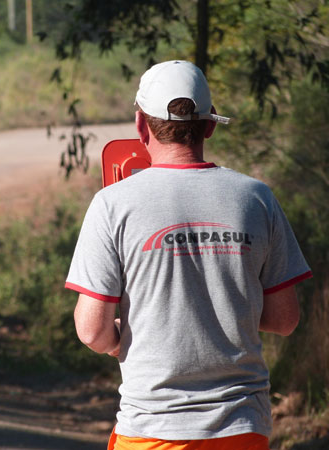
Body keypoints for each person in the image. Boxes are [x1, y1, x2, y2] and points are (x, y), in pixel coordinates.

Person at [66, 60, 312, 450]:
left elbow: (91, 330)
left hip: (152, 430)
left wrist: (120, 339)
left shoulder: (112, 204)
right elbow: (285, 319)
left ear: (141, 126)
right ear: (210, 125)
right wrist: (227, 308)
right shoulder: (256, 198)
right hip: (242, 426)